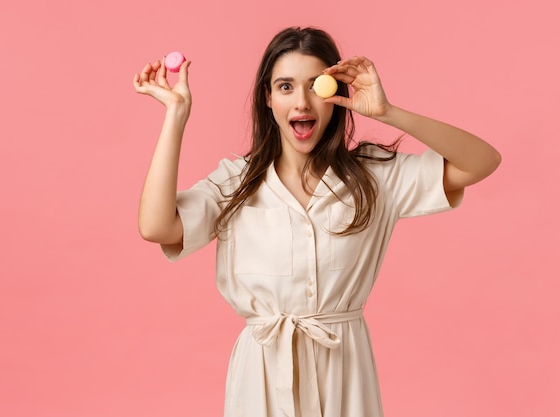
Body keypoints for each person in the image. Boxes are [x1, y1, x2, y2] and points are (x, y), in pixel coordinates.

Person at [133, 26, 500, 417]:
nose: (302, 102)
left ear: (336, 96)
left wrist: (388, 112)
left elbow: (481, 162)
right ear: (268, 98)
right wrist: (176, 115)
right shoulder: (236, 181)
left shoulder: (375, 176)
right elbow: (157, 227)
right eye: (286, 87)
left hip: (345, 369)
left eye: (316, 85)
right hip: (262, 376)